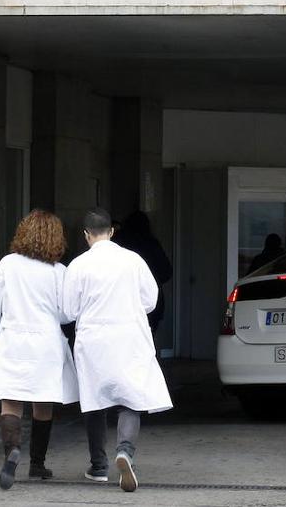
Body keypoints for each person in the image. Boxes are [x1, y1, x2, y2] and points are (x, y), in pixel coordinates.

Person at [62, 208, 172, 493]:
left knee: (94, 399)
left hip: (93, 340)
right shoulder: (133, 260)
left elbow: (69, 310)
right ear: (112, 231)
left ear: (86, 235)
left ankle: (98, 467)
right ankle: (124, 452)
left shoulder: (78, 265)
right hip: (129, 336)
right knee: (130, 399)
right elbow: (150, 300)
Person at [0, 210, 79, 491]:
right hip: (46, 343)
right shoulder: (59, 272)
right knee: (42, 404)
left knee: (11, 402)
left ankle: (11, 451)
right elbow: (66, 314)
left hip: (13, 340)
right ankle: (37, 463)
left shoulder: (7, 265)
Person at [116, 211, 172, 334]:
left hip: (122, 300)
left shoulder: (118, 243)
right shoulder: (152, 244)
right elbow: (166, 272)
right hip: (151, 303)